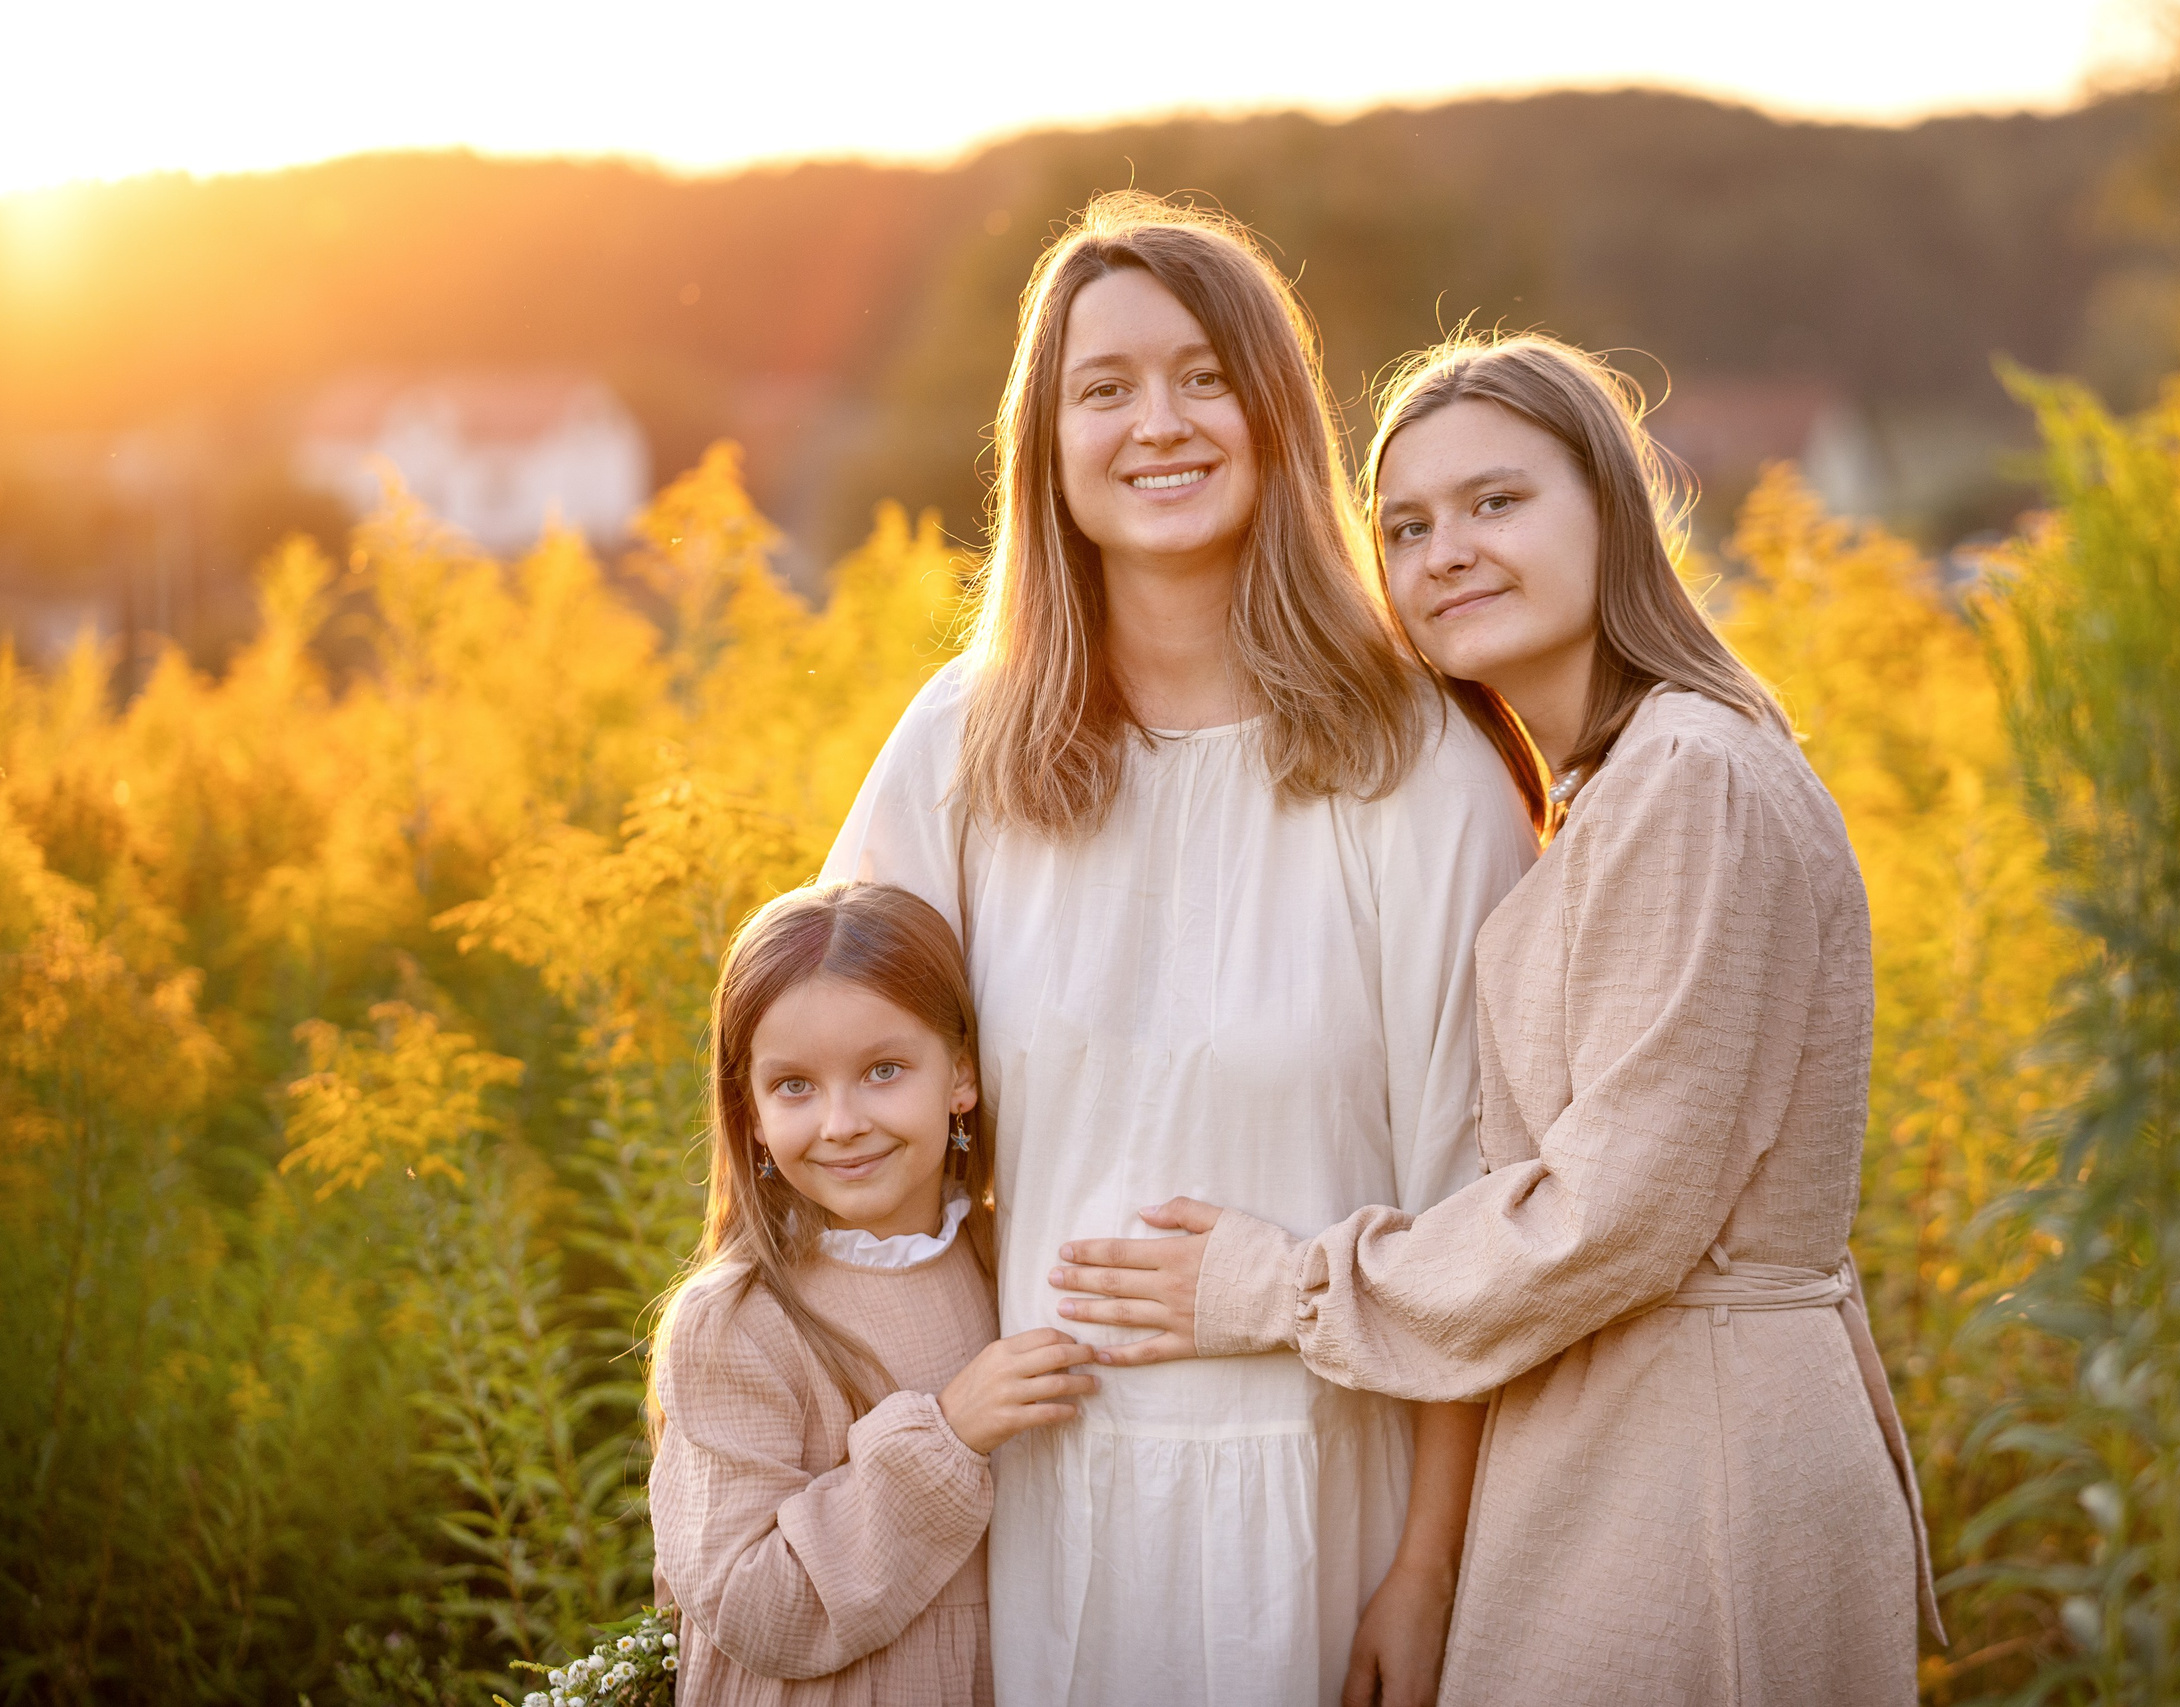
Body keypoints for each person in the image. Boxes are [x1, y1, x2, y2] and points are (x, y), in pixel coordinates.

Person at [1049, 334, 1945, 1706]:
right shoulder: (1620, 782)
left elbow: (1621, 1208)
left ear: (1612, 508)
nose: (1444, 550)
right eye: (1405, 526)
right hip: (1635, 1444)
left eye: (1497, 502)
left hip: (1690, 1474)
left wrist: (1271, 1283)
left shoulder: (1684, 777)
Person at [818, 194, 1538, 1707]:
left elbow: (1481, 1207)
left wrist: (1429, 1568)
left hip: (1334, 1500)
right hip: (1041, 1510)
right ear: (1047, 445)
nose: (1161, 421)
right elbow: (835, 1118)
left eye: (1206, 375)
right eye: (1105, 386)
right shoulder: (960, 746)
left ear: (1277, 417)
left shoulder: (1418, 763)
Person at [648, 881, 1101, 1705]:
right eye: (794, 1086)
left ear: (961, 1074)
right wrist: (947, 1435)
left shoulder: (1008, 1259)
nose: (842, 1121)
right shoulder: (736, 1323)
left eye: (882, 1070)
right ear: (748, 1110)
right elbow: (752, 1604)